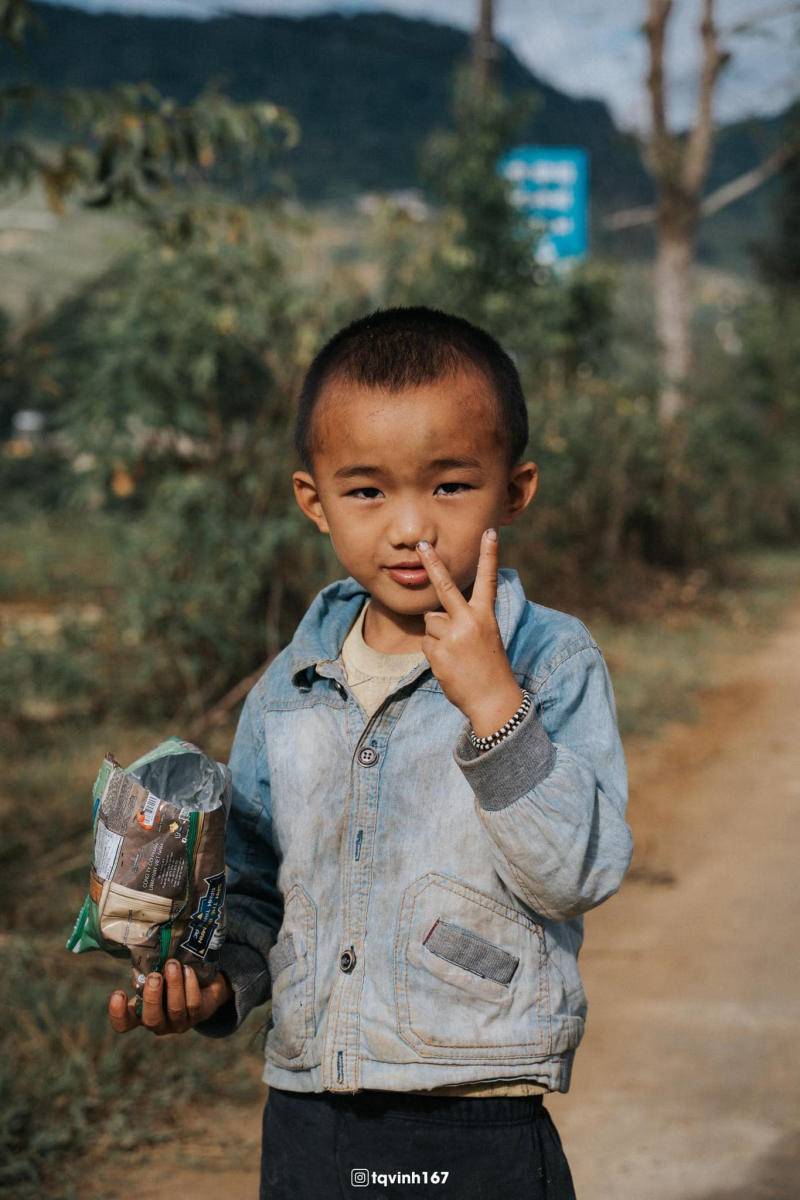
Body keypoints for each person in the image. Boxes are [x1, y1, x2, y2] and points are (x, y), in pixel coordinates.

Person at [108, 305, 634, 1198]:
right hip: (311, 1107)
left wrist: (494, 705)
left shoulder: (551, 661)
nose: (410, 528)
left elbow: (577, 872)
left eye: (450, 487)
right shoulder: (291, 683)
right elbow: (253, 881)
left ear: (517, 489)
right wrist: (212, 979)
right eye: (367, 491)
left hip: (477, 1106)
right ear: (314, 501)